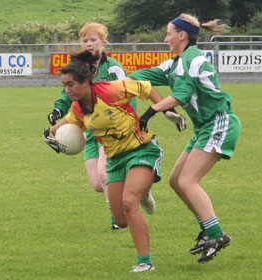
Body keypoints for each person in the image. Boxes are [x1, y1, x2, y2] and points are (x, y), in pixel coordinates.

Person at [47, 22, 185, 230]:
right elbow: (68, 96)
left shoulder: (113, 69)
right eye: (84, 40)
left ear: (103, 42)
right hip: (89, 130)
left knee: (104, 174)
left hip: (113, 130)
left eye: (93, 40)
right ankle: (138, 191)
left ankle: (119, 217)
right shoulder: (79, 70)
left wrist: (130, 123)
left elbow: (131, 93)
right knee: (96, 184)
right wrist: (57, 115)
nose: (88, 44)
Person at [129, 13, 241, 263]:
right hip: (204, 127)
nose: (165, 38)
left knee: (188, 181)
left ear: (181, 35)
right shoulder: (175, 63)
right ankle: (209, 230)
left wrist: (151, 111)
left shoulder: (194, 59)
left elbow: (180, 95)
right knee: (176, 180)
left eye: (169, 33)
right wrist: (116, 82)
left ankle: (216, 234)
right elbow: (144, 75)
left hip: (219, 123)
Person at [43, 50, 168, 272]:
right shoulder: (77, 107)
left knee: (130, 202)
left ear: (86, 82)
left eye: (71, 84)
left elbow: (146, 88)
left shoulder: (111, 90)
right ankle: (143, 192)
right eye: (64, 85)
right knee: (120, 220)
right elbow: (68, 122)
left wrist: (165, 111)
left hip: (141, 149)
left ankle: (145, 262)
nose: (67, 90)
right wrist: (51, 134)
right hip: (115, 159)